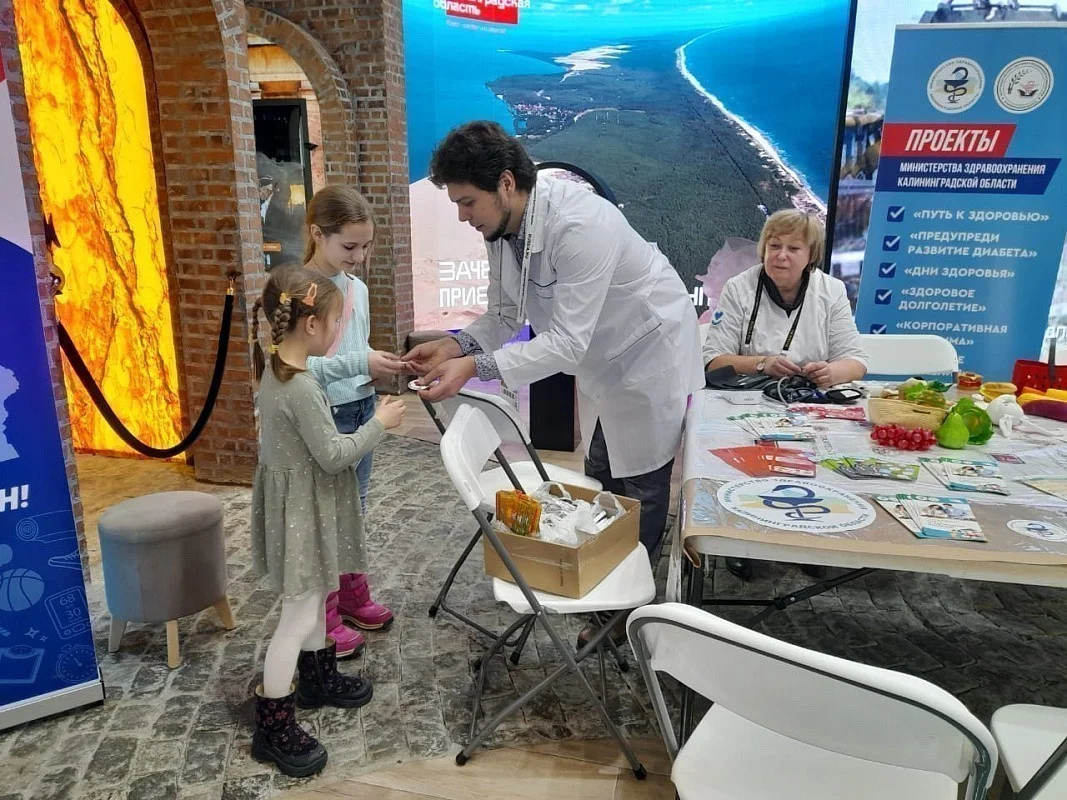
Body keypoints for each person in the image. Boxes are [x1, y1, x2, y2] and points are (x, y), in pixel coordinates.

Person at [402, 120, 704, 646]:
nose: (462, 216)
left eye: (467, 202)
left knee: (644, 484)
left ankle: (626, 613)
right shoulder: (503, 229)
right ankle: (597, 568)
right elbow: (503, 314)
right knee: (602, 467)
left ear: (505, 183)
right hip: (605, 357)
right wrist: (454, 346)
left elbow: (565, 344)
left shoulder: (580, 225)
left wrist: (475, 368)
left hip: (650, 353)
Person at [248, 266, 405, 778]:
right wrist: (379, 424)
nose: (340, 329)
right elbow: (334, 455)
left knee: (316, 598)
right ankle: (272, 725)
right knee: (296, 617)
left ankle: (318, 679)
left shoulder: (281, 368)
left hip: (304, 509)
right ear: (312, 324)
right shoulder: (298, 387)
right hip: (302, 513)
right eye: (337, 321)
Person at [301, 186, 405, 658]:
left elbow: (353, 349)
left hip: (361, 407)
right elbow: (294, 368)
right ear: (317, 234)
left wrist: (374, 367)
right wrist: (361, 362)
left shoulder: (357, 289)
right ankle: (321, 618)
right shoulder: (296, 290)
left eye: (366, 246)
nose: (359, 257)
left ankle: (350, 596)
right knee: (325, 518)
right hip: (324, 415)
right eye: (349, 246)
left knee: (353, 512)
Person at [702, 209, 868, 387]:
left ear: (811, 255)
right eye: (774, 246)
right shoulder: (737, 288)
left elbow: (856, 361)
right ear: (764, 250)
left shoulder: (832, 290)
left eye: (793, 248)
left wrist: (830, 373)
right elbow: (713, 360)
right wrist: (763, 364)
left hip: (811, 395)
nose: (781, 256)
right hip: (749, 396)